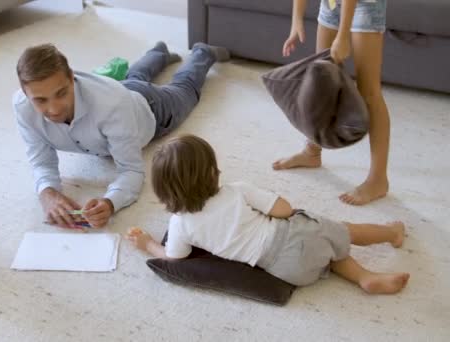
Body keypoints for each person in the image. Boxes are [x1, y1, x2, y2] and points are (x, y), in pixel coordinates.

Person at [127, 134, 410, 294]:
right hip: (291, 235)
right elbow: (284, 210)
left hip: (286, 270)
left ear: (164, 190)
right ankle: (390, 233)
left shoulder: (180, 225)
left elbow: (174, 257)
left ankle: (365, 277)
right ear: (212, 172)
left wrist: (148, 244)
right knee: (344, 231)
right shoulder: (236, 191)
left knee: (328, 257)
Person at [13, 41, 230, 228]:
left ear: (72, 78)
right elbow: (41, 161)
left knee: (185, 89)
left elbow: (132, 170)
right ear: (25, 93)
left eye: (61, 93)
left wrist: (110, 202)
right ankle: (158, 53)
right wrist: (47, 193)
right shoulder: (22, 107)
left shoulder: (113, 103)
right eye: (40, 100)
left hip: (151, 107)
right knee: (132, 78)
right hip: (121, 91)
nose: (54, 109)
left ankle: (202, 52)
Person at [273, 0, 391, 206]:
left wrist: (343, 34)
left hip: (366, 4)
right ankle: (312, 152)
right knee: (323, 80)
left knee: (369, 91)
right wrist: (296, 21)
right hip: (332, 2)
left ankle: (378, 180)